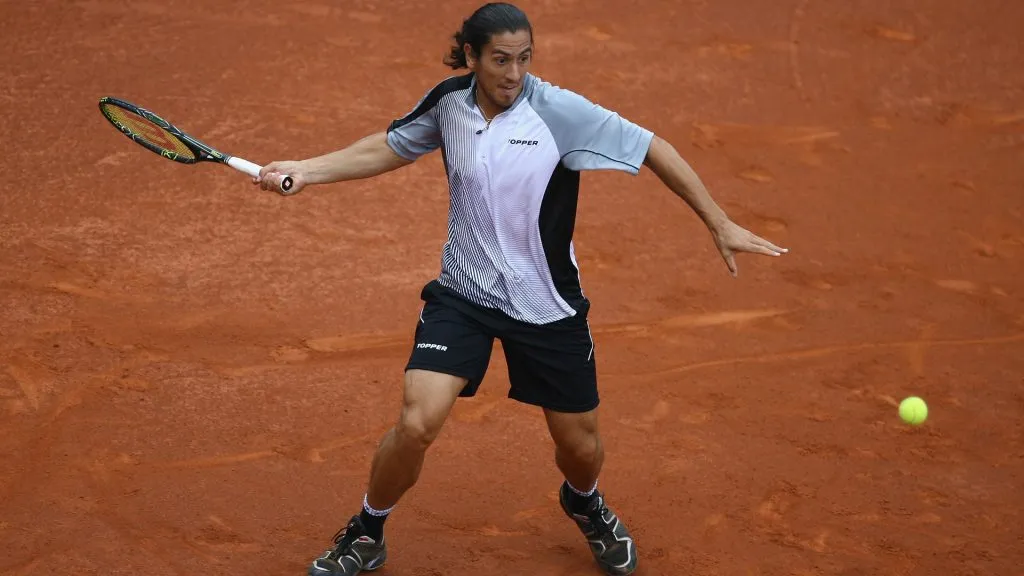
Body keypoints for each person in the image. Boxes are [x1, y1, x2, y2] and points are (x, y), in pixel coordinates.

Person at [255, 3, 788, 575]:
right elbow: (391, 146)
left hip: (546, 305)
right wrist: (308, 168)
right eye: (501, 60)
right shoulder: (449, 103)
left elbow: (654, 147)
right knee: (416, 422)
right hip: (464, 295)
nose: (514, 74)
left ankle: (583, 502)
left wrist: (719, 222)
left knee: (581, 449)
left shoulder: (559, 112)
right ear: (471, 57)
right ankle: (368, 530)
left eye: (524, 58)